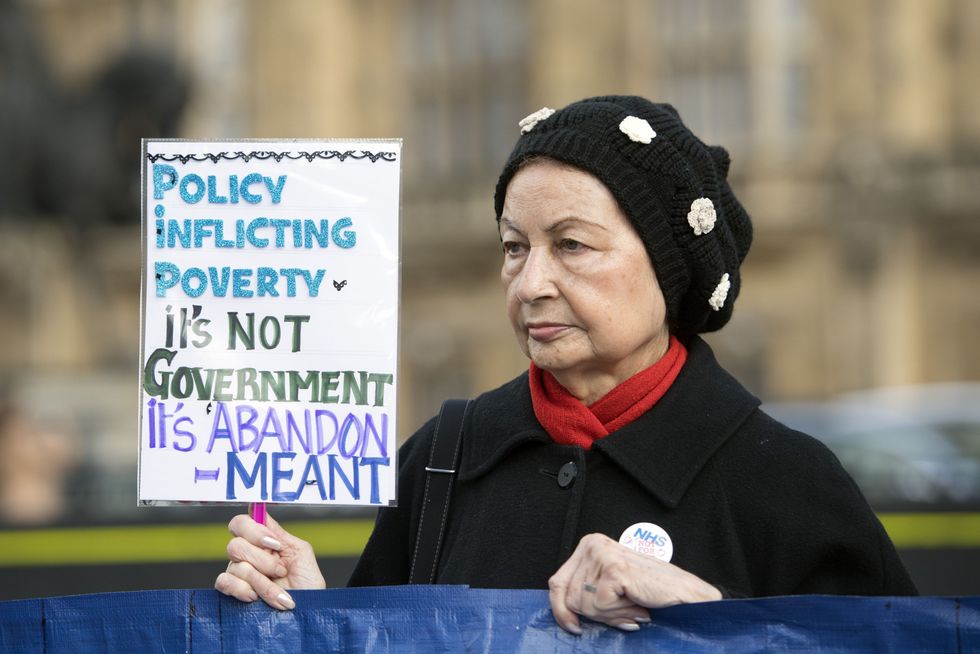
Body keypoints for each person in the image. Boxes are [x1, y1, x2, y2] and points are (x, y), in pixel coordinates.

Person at [215, 95, 917, 634]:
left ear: (668, 268)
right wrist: (308, 616)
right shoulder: (443, 458)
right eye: (515, 246)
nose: (530, 284)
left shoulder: (786, 479)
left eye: (572, 245)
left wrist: (708, 615)